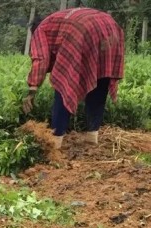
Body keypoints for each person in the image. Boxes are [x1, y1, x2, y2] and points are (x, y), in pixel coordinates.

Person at [23, 8, 124, 148]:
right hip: (110, 28)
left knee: (63, 83)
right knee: (100, 77)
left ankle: (56, 141)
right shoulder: (58, 21)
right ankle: (92, 136)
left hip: (82, 31)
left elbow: (41, 58)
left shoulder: (41, 29)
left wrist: (32, 89)